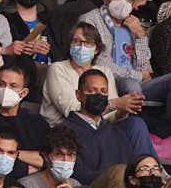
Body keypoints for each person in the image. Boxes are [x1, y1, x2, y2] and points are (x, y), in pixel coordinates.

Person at [79, 0, 171, 124]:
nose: (123, 2)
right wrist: (137, 75)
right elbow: (100, 62)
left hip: (137, 83)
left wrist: (140, 35)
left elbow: (146, 69)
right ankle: (137, 128)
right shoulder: (90, 20)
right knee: (132, 84)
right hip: (107, 82)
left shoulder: (133, 23)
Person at [41, 24, 152, 155]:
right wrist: (115, 103)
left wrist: (122, 110)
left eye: (87, 43)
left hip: (99, 128)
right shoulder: (57, 68)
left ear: (96, 49)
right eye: (76, 41)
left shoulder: (104, 71)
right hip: (66, 131)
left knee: (136, 124)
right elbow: (71, 111)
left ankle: (149, 168)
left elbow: (109, 116)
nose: (81, 46)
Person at [0, 61, 49, 173]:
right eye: (2, 84)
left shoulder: (37, 122)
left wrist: (15, 155)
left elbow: (50, 159)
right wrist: (33, 165)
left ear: (23, 93)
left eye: (13, 86)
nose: (6, 90)